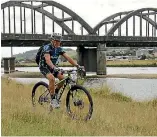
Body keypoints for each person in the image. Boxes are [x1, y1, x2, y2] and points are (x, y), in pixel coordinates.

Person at [39, 35, 82, 109]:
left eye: (59, 41)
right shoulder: (47, 48)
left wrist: (77, 66)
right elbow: (48, 60)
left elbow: (68, 58)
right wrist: (54, 68)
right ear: (52, 41)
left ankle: (55, 93)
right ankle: (53, 100)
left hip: (53, 67)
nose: (58, 42)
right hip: (44, 67)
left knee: (63, 79)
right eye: (56, 41)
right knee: (52, 78)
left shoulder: (59, 49)